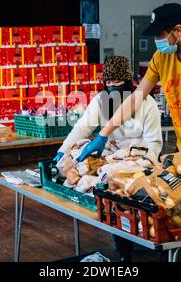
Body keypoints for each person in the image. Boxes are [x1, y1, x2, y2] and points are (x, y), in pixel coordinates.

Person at [77, 3, 181, 262]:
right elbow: (136, 97)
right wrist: (103, 134)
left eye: (161, 35)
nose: (157, 41)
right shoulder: (163, 58)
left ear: (178, 31)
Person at [53, 56, 163, 262]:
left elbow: (154, 144)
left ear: (129, 82)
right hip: (111, 157)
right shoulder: (100, 101)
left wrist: (135, 162)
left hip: (140, 160)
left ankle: (149, 244)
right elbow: (82, 127)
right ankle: (123, 251)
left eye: (117, 82)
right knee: (112, 203)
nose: (112, 86)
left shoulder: (147, 104)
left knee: (132, 203)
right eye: (108, 82)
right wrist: (64, 149)